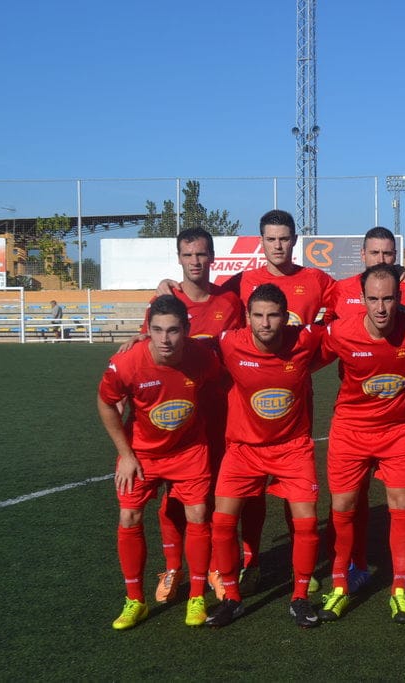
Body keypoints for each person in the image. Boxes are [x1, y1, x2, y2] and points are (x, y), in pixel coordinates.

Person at [161, 210, 335, 595]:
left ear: (294, 241)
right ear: (261, 242)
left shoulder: (317, 279)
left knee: (293, 494)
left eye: (284, 238)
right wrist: (166, 292)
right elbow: (204, 299)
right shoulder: (240, 284)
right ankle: (209, 563)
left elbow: (354, 300)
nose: (278, 245)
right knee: (214, 487)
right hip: (237, 401)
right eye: (270, 239)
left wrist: (399, 278)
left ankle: (286, 562)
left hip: (291, 401)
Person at [318, 264, 405, 624]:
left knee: (402, 505)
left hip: (398, 431)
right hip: (350, 431)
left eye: (388, 298)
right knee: (342, 506)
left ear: (399, 298)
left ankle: (400, 588)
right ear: (363, 299)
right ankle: (340, 584)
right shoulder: (341, 331)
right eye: (373, 299)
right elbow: (300, 353)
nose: (381, 308)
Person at [204, 283, 330, 629]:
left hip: (293, 448)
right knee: (222, 522)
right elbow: (187, 347)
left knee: (306, 521)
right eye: (258, 316)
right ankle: (232, 597)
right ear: (248, 318)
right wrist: (140, 341)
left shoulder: (304, 340)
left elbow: (347, 329)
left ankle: (300, 596)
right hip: (243, 449)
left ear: (285, 317)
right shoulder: (230, 343)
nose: (265, 323)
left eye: (273, 315)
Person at [97, 295, 222, 630]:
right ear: (147, 330)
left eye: (173, 330)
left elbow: (218, 382)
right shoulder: (126, 363)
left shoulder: (203, 358)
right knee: (129, 515)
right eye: (157, 330)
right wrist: (125, 454)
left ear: (187, 330)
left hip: (188, 450)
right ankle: (135, 601)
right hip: (142, 453)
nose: (165, 338)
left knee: (197, 514)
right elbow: (105, 402)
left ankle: (196, 595)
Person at [140, 228, 244, 606]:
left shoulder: (231, 302)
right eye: (188, 255)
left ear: (212, 257)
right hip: (175, 417)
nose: (196, 261)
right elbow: (146, 347)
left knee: (216, 495)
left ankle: (216, 567)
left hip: (220, 412)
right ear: (179, 258)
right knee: (172, 497)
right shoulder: (164, 300)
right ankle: (173, 566)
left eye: (202, 254)